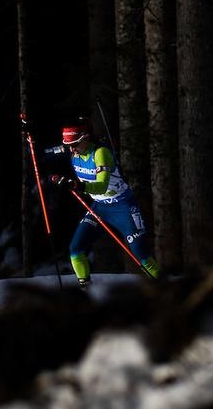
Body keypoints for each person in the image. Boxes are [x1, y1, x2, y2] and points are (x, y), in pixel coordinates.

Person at [50, 118, 160, 287]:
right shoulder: (71, 149)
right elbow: (46, 153)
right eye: (68, 145)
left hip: (122, 206)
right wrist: (29, 138)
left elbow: (101, 186)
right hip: (99, 208)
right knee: (76, 249)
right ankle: (86, 289)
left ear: (85, 138)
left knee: (141, 254)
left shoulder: (101, 153)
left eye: (74, 144)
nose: (71, 149)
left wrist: (75, 185)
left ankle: (167, 290)